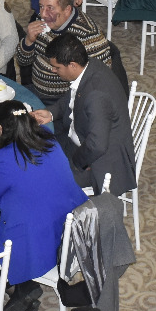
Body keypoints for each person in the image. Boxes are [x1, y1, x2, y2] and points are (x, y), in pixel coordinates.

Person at [0, 98, 89, 311]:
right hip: (69, 228)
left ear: (0, 129)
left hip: (38, 241)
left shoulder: (2, 162)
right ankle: (21, 288)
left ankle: (19, 286)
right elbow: (27, 161)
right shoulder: (47, 136)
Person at [29, 32, 136, 198]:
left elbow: (97, 145)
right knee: (34, 144)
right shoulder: (89, 66)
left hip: (97, 163)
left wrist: (75, 163)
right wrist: (51, 113)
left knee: (42, 180)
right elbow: (72, 95)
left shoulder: (96, 95)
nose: (53, 70)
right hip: (81, 139)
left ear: (72, 65)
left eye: (57, 67)